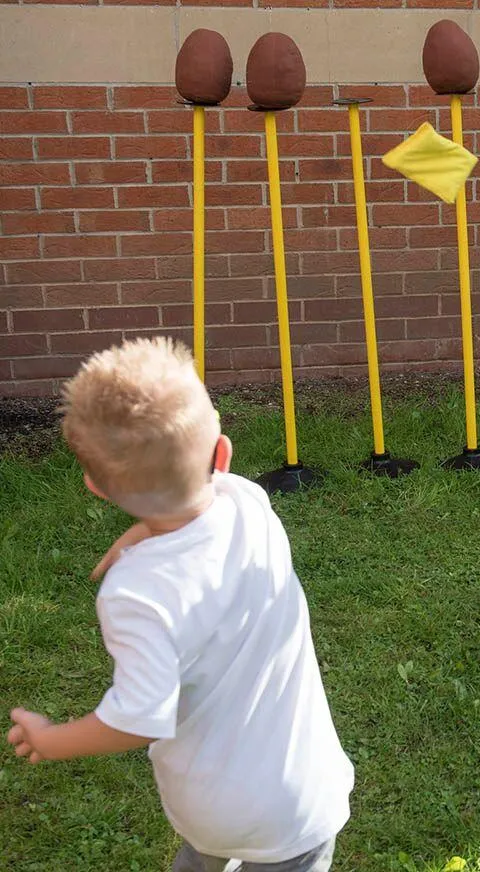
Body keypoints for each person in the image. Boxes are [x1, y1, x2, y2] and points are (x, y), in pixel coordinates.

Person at [7, 338, 354, 872]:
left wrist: (53, 740)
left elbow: (139, 715)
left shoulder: (134, 595)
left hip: (207, 806)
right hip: (297, 799)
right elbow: (200, 499)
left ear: (96, 487)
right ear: (223, 453)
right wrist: (145, 529)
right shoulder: (252, 506)